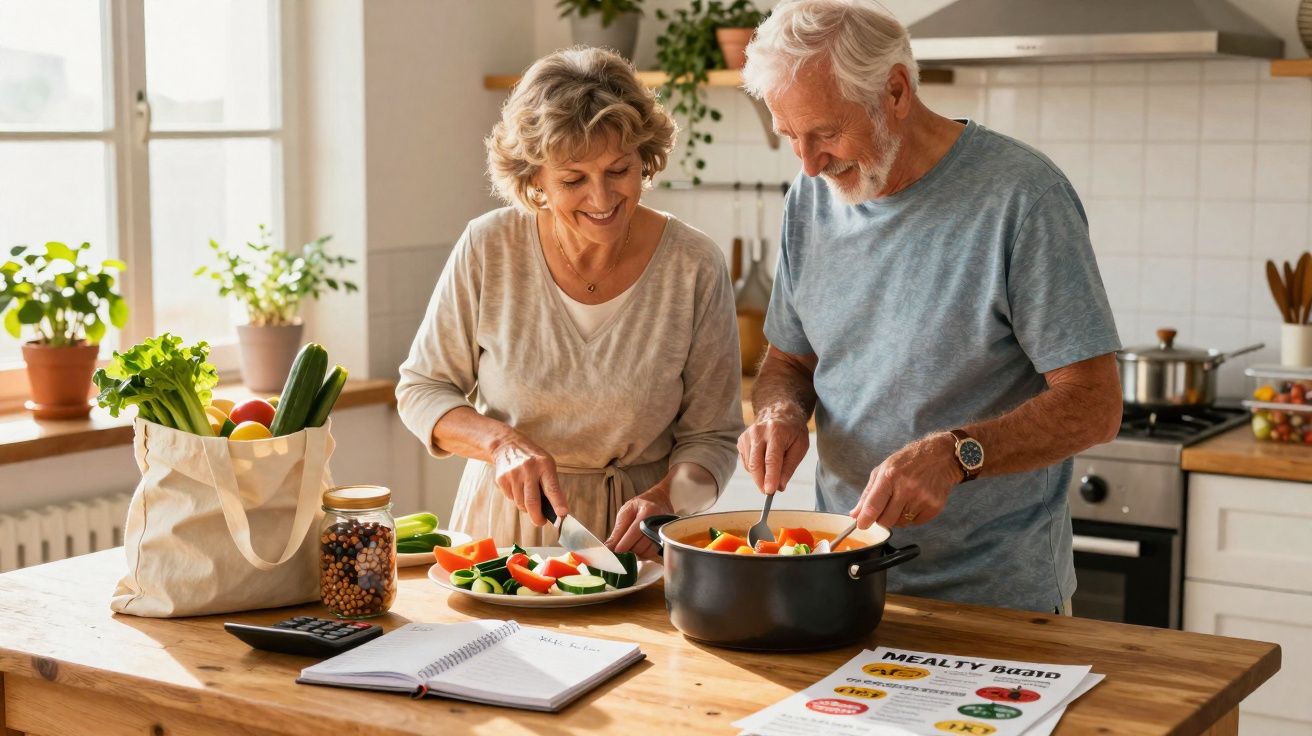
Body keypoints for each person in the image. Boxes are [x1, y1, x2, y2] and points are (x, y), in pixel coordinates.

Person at [736, 0, 1123, 613]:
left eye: (827, 133)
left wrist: (956, 455)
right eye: (791, 138)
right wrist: (778, 414)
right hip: (844, 579)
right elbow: (789, 360)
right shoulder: (809, 200)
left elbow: (1096, 406)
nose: (808, 163)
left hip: (998, 601)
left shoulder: (1022, 198)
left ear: (895, 90)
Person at [396, 47, 743, 557]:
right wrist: (500, 444)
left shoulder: (694, 266)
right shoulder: (489, 247)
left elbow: (713, 437)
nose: (602, 200)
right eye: (573, 180)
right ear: (534, 178)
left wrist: (670, 501)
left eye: (619, 170)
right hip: (502, 539)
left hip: (636, 546)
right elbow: (422, 389)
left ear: (645, 158)